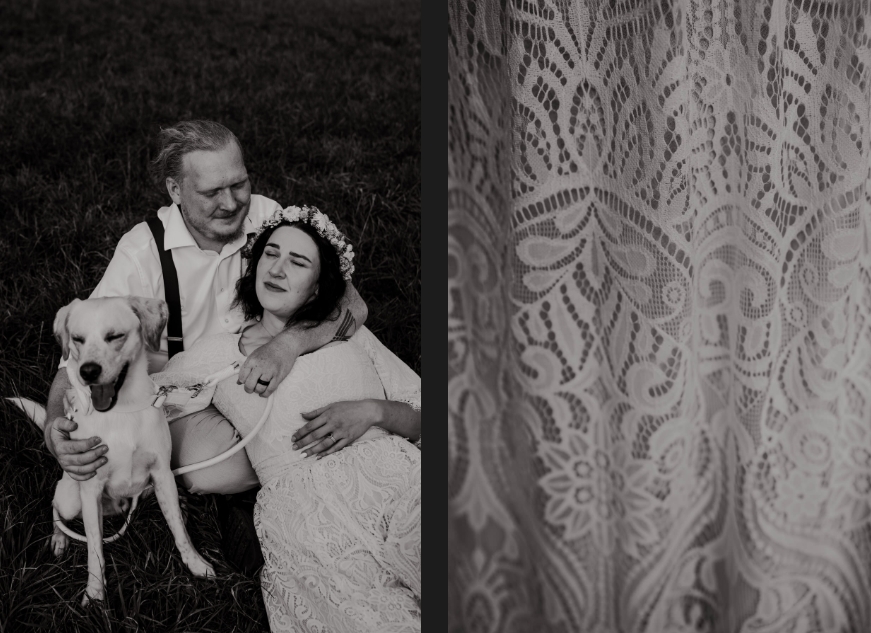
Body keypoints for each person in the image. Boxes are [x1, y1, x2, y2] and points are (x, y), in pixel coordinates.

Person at [41, 120, 420, 572]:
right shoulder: (142, 252)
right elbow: (75, 362)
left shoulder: (266, 216)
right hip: (182, 389)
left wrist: (289, 345)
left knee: (301, 413)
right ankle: (271, 499)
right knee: (204, 468)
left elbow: (350, 305)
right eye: (211, 192)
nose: (231, 203)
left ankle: (290, 489)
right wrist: (52, 431)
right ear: (175, 189)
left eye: (238, 184)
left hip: (264, 367)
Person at [151, 206, 421, 632]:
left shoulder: (349, 333)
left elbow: (426, 415)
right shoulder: (219, 351)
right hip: (303, 514)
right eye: (270, 255)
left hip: (393, 480)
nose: (276, 269)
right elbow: (149, 407)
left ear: (317, 290)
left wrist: (373, 411)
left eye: (297, 262)